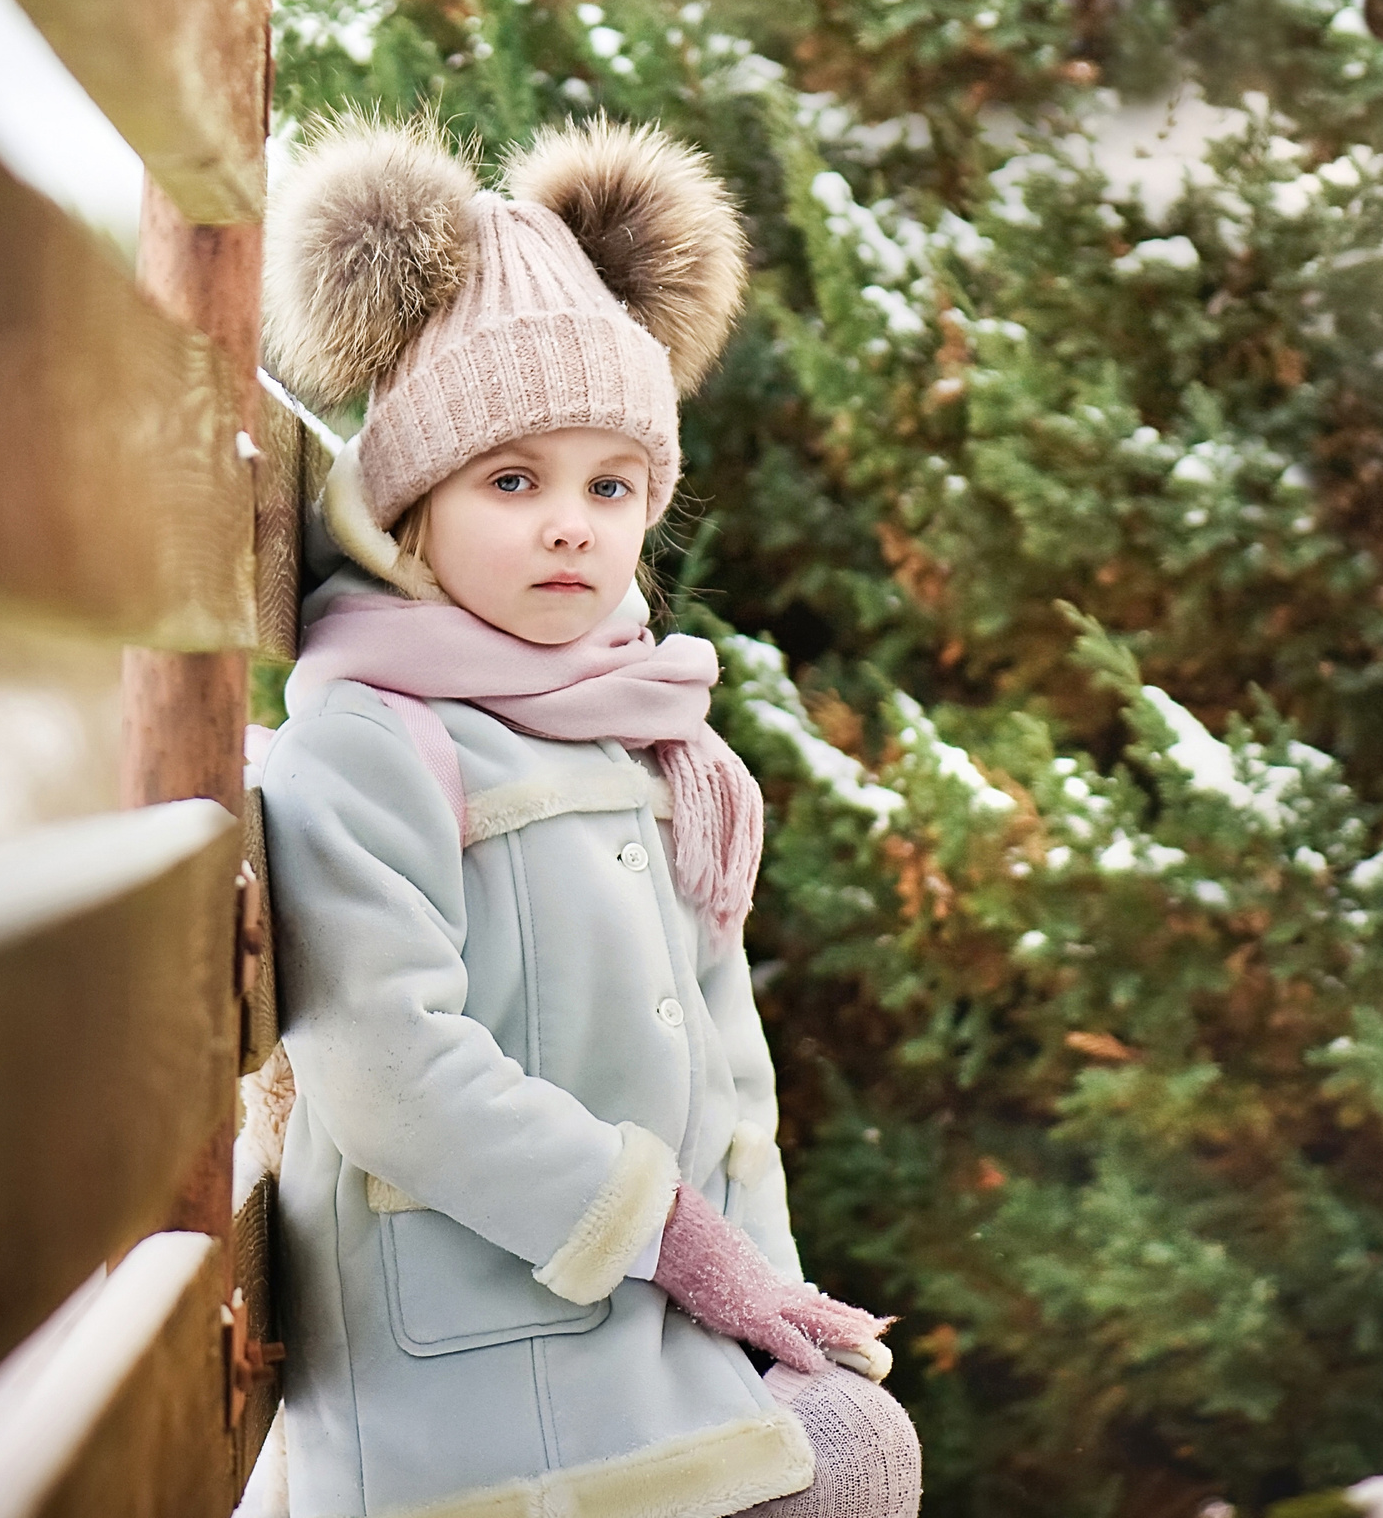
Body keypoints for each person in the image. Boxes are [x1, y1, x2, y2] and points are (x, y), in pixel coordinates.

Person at [250, 114, 921, 1518]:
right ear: (409, 511)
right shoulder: (375, 737)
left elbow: (727, 1073)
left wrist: (766, 1289)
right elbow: (390, 1066)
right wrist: (670, 1235)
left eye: (610, 486)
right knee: (830, 1479)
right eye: (513, 481)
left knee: (863, 1443)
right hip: (482, 1374)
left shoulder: (644, 732)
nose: (572, 524)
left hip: (643, 1322)